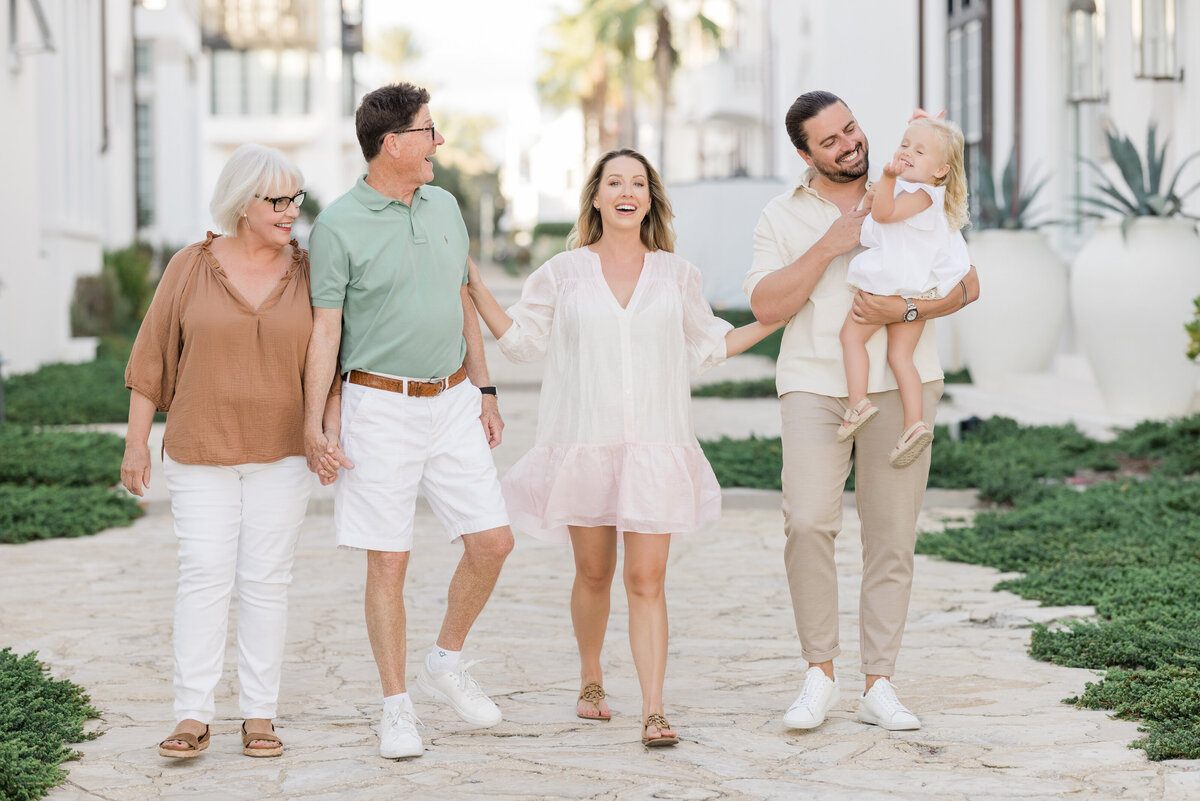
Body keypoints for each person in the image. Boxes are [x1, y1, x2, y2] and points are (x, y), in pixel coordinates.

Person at [466, 148, 783, 747]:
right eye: (614, 181)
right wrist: (475, 285)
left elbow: (711, 344)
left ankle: (654, 709)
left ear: (650, 199)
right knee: (593, 572)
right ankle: (591, 680)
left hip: (654, 450)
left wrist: (779, 317)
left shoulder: (678, 275)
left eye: (637, 182)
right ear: (596, 198)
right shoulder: (561, 274)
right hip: (585, 445)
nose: (626, 190)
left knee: (647, 579)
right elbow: (521, 343)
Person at [743, 91, 979, 733]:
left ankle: (880, 685)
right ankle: (819, 673)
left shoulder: (915, 182)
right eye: (830, 140)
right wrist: (827, 245)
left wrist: (904, 312)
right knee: (809, 521)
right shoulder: (781, 213)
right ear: (804, 154)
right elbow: (766, 304)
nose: (850, 144)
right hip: (815, 385)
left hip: (904, 384)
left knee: (892, 538)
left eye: (851, 129)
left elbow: (966, 282)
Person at [302, 82, 514, 761]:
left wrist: (484, 386)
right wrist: (315, 422)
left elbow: (461, 301)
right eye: (429, 131)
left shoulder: (446, 203)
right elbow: (324, 330)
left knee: (493, 542)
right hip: (377, 407)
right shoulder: (336, 226)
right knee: (388, 559)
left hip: (453, 398)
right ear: (393, 144)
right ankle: (397, 707)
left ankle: (446, 659)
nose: (439, 142)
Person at [122, 144, 341, 759]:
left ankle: (259, 716)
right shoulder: (190, 267)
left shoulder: (309, 268)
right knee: (204, 576)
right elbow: (152, 355)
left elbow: (335, 354)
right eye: (277, 200)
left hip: (282, 452)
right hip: (199, 448)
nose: (290, 210)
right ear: (243, 203)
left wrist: (326, 428)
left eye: (295, 198)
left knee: (267, 581)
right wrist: (137, 441)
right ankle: (192, 715)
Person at [838, 116, 971, 467]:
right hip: (914, 291)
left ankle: (858, 403)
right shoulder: (916, 193)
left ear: (940, 170)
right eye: (905, 144)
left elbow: (882, 217)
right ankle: (914, 424)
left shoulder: (923, 195)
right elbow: (872, 211)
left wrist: (888, 177)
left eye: (919, 150)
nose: (907, 152)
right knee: (901, 357)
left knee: (851, 338)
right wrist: (877, 193)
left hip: (889, 286)